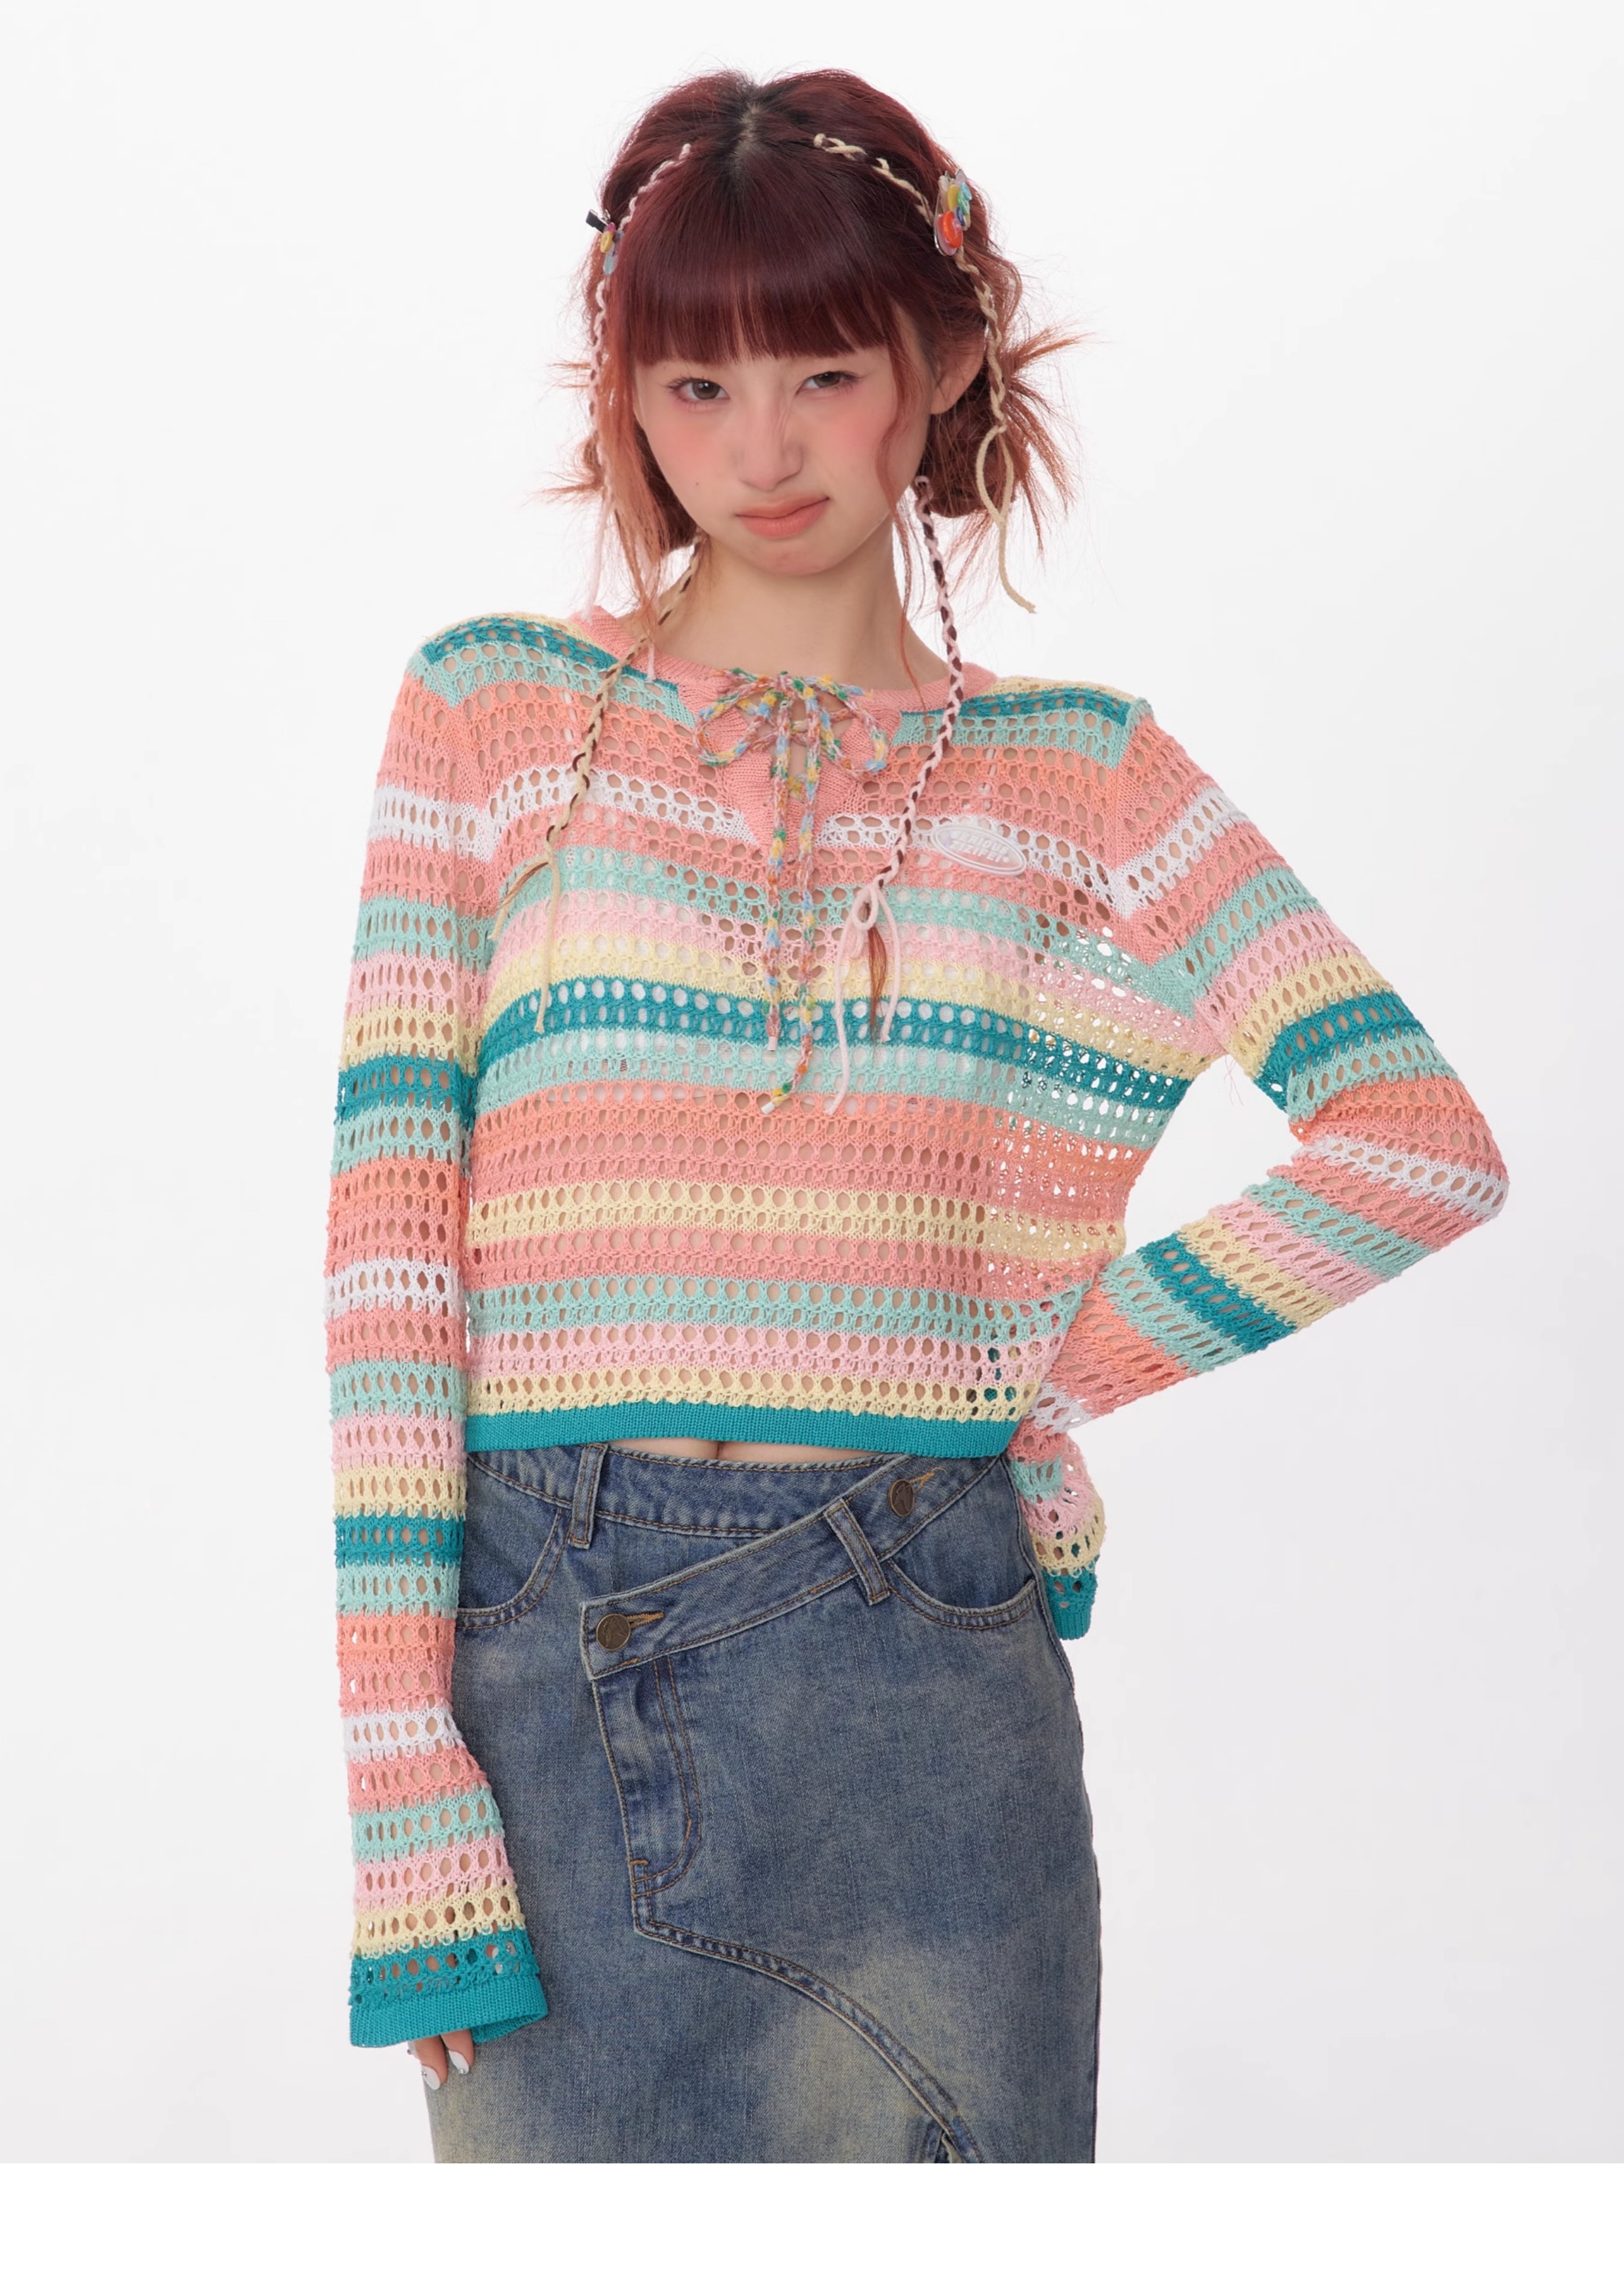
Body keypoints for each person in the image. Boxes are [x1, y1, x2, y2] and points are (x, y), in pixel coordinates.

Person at [325, 67, 1507, 2164]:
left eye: (823, 371)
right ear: (628, 398)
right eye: (694, 386)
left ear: (942, 362)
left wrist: (1046, 1365)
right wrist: (398, 1761)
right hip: (542, 1664)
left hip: (921, 1674)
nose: (759, 450)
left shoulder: (1084, 774)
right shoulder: (489, 713)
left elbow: (1416, 1140)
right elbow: (393, 1257)